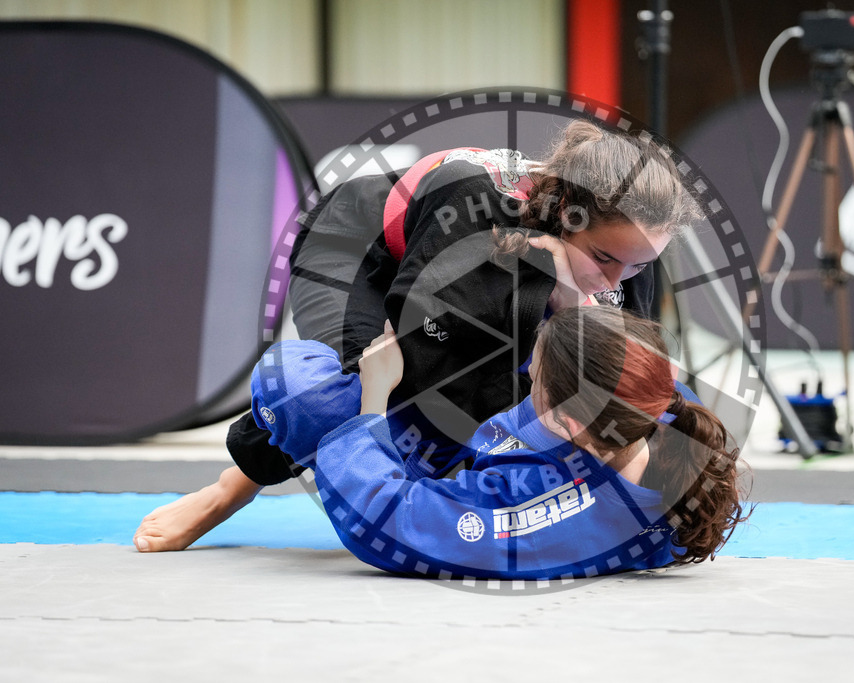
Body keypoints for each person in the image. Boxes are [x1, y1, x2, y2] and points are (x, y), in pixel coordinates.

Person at [134, 119, 703, 552]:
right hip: (357, 256)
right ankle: (232, 487)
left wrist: (653, 477)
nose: (618, 280)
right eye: (604, 259)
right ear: (567, 218)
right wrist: (546, 289)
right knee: (367, 393)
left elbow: (625, 382)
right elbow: (420, 341)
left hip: (484, 281)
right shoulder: (474, 201)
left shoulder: (627, 252)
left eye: (636, 266)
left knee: (548, 375)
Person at [137, 306, 749, 581]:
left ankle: (232, 487)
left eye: (535, 380)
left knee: (299, 389)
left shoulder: (540, 505)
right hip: (505, 445)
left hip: (441, 481)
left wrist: (374, 399)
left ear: (566, 424)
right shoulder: (656, 417)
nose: (528, 378)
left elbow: (393, 521)